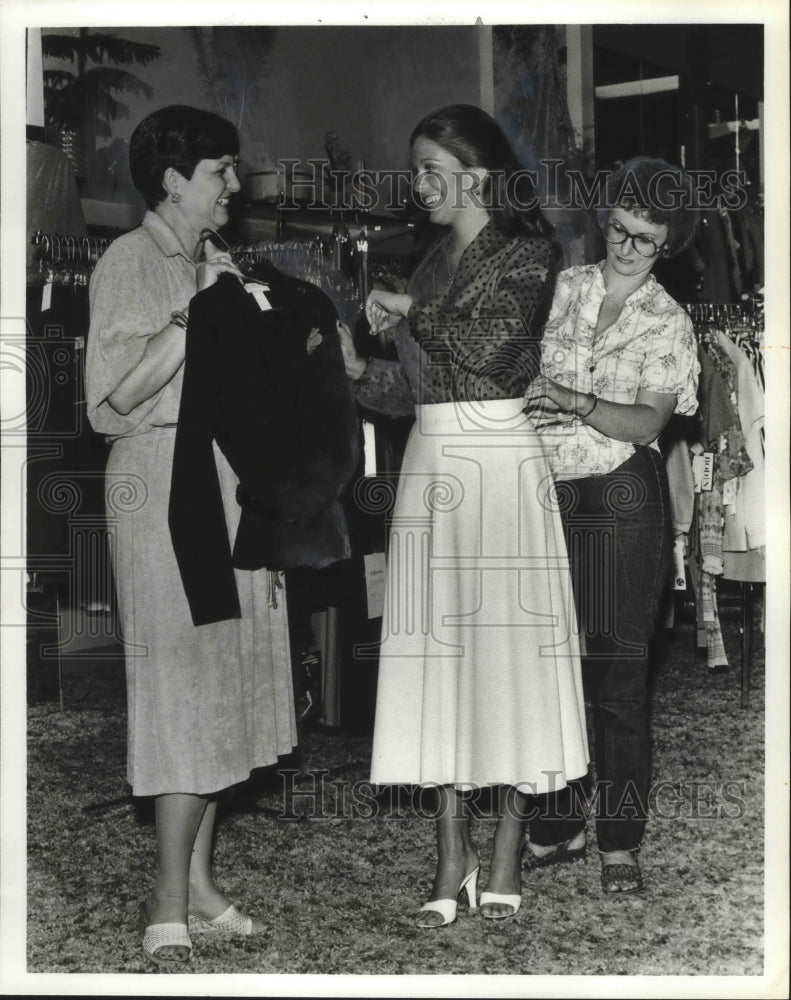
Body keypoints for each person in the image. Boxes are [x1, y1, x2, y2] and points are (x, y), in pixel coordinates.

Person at [340, 104, 589, 926]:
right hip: (430, 462)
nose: (417, 186)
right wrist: (351, 368)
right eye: (415, 171)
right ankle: (452, 854)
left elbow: (489, 351)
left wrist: (408, 313)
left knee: (506, 661)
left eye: (428, 170)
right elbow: (409, 391)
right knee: (436, 662)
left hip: (497, 463)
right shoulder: (423, 263)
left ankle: (510, 849)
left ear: (475, 174)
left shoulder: (527, 252)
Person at [85, 106, 297, 967]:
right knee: (181, 688)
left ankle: (202, 887)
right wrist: (193, 322)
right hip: (163, 484)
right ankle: (164, 897)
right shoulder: (128, 263)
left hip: (227, 484)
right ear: (173, 181)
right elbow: (107, 403)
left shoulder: (216, 263)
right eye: (221, 171)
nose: (234, 187)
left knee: (224, 683)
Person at [522, 156, 700, 894]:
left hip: (621, 497)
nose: (626, 249)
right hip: (541, 489)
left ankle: (620, 842)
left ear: (667, 246)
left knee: (618, 676)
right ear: (608, 219)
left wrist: (571, 399)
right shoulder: (562, 289)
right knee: (548, 666)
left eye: (644, 241)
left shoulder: (668, 321)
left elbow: (648, 420)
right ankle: (559, 823)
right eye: (620, 231)